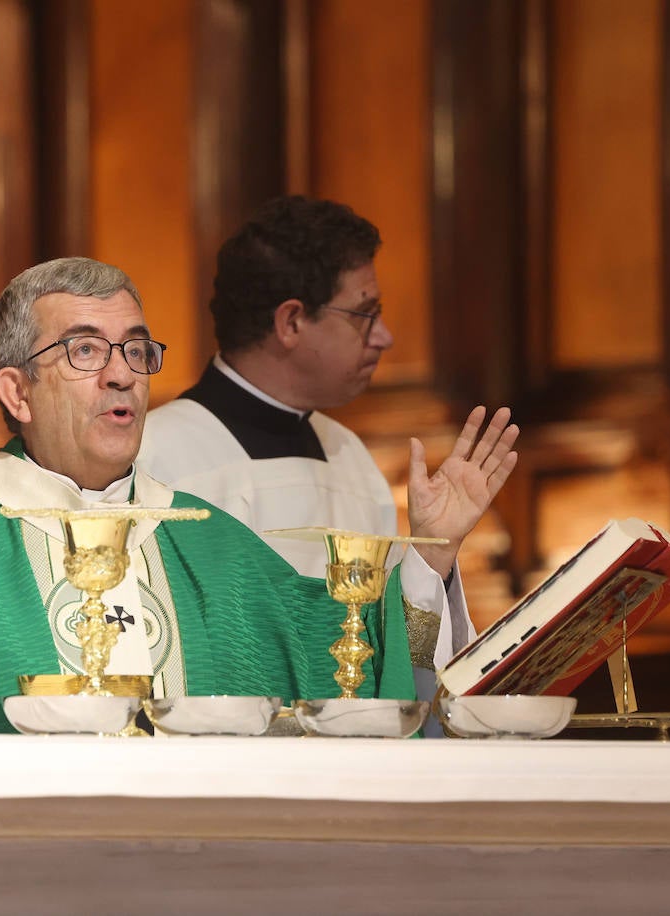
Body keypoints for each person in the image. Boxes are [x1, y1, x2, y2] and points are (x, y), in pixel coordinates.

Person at [0, 257, 416, 734]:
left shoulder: (204, 538)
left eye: (134, 350)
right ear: (17, 393)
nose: (122, 375)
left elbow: (346, 662)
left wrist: (432, 566)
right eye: (86, 352)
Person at [137, 197, 519, 714]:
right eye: (365, 314)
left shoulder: (350, 456)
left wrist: (435, 554)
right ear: (291, 322)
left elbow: (394, 669)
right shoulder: (155, 457)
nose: (384, 337)